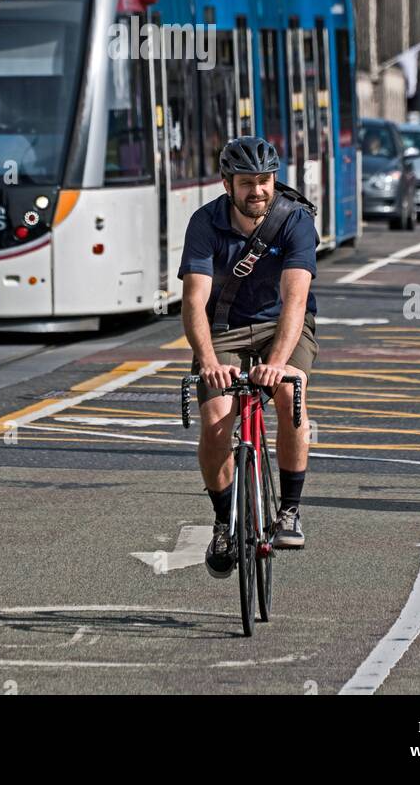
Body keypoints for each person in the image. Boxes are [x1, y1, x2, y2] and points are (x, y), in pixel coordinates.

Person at [178, 135, 319, 578]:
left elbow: (295, 301)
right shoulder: (204, 223)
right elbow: (193, 302)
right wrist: (207, 361)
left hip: (284, 325)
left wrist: (277, 363)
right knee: (217, 419)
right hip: (225, 329)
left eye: (265, 181)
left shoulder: (295, 221)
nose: (257, 190)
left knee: (288, 393)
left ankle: (290, 511)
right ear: (227, 184)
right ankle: (224, 522)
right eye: (246, 182)